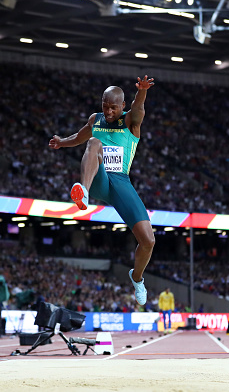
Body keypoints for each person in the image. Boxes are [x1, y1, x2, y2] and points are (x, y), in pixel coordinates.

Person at [49, 75, 156, 305]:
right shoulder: (95, 120)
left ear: (122, 106)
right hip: (100, 178)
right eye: (105, 106)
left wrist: (142, 91)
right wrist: (61, 142)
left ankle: (137, 278)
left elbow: (139, 108)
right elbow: (79, 137)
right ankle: (84, 193)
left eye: (113, 108)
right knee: (94, 143)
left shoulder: (130, 122)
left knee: (148, 241)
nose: (108, 112)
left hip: (121, 183)